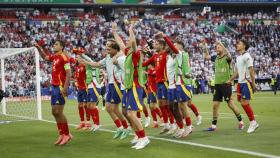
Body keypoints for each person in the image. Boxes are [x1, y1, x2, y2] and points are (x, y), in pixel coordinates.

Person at [80, 39, 130, 139]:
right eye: (106, 45)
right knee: (108, 108)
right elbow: (98, 64)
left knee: (115, 108)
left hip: (117, 84)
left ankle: (126, 127)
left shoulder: (119, 56)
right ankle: (120, 127)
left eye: (109, 46)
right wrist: (86, 62)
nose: (106, 47)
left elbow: (123, 50)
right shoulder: (107, 57)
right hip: (110, 85)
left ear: (115, 48)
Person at [112, 22, 150, 149]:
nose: (126, 42)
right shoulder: (128, 53)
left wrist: (130, 30)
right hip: (129, 86)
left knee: (131, 114)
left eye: (128, 40)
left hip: (135, 86)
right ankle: (139, 136)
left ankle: (144, 138)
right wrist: (114, 31)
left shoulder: (136, 53)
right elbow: (120, 43)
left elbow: (133, 43)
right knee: (127, 113)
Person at [35, 40, 72, 145]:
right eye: (54, 44)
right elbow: (44, 57)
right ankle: (61, 134)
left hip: (60, 87)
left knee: (59, 112)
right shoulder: (55, 57)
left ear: (62, 47)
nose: (54, 45)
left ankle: (67, 134)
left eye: (56, 44)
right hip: (54, 87)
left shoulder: (64, 57)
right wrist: (39, 48)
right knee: (54, 112)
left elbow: (69, 73)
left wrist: (65, 88)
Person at [202, 40, 244, 131]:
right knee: (215, 105)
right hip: (217, 84)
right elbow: (206, 56)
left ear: (222, 48)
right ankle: (213, 126)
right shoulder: (215, 57)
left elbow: (229, 54)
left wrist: (221, 44)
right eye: (216, 47)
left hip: (226, 84)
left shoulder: (227, 57)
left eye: (218, 47)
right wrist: (204, 46)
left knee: (230, 104)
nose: (217, 49)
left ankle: (241, 121)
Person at [227, 39, 259, 133]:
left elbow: (251, 70)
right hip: (240, 83)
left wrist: (253, 83)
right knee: (242, 103)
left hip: (246, 82)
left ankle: (253, 122)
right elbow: (237, 71)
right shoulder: (238, 57)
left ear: (244, 46)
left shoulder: (247, 56)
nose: (237, 45)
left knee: (245, 103)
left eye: (239, 44)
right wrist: (230, 80)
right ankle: (253, 122)